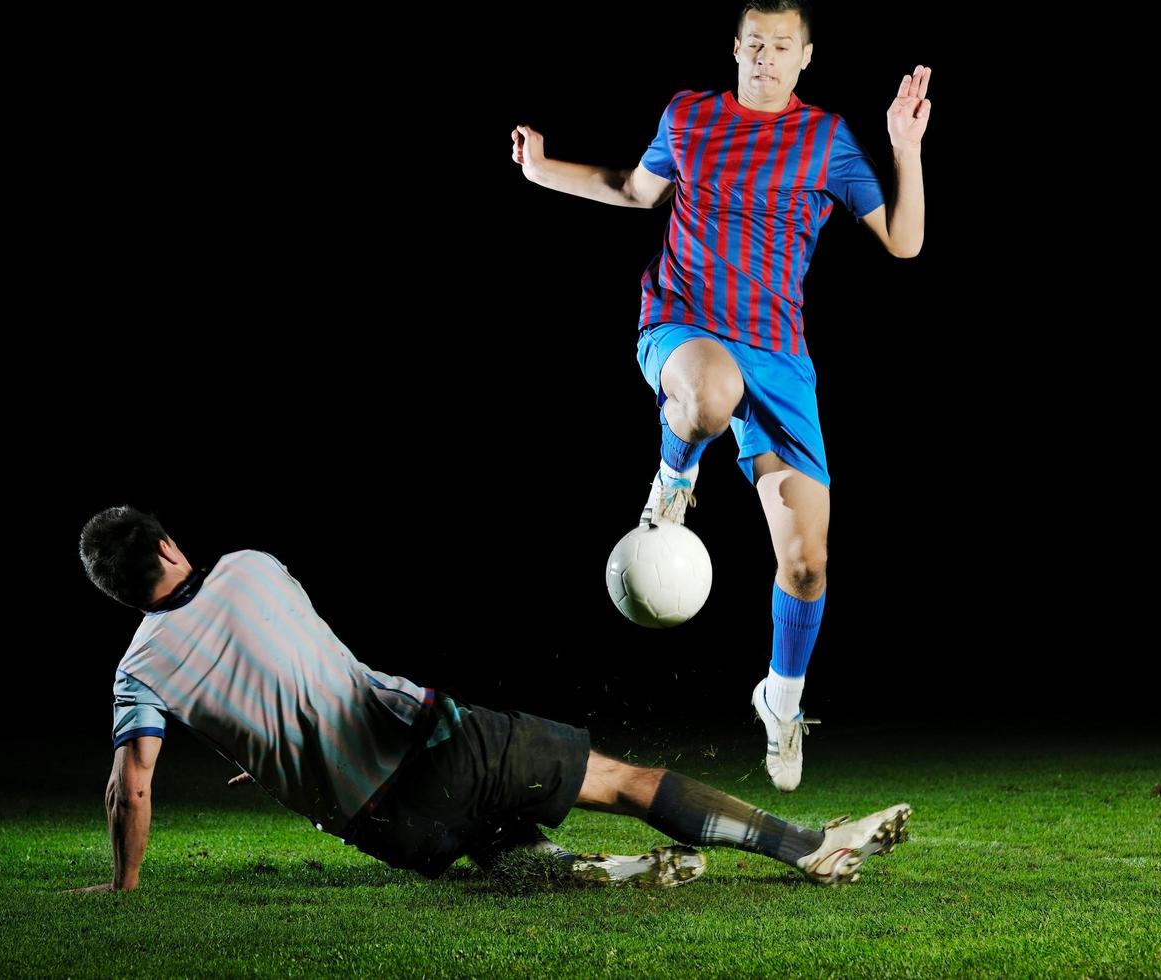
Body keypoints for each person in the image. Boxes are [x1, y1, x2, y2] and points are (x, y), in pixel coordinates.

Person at [510, 0, 929, 792]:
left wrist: (904, 148)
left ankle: (781, 698)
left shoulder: (827, 140)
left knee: (805, 563)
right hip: (682, 328)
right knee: (708, 388)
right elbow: (634, 190)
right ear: (734, 49)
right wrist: (542, 170)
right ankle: (671, 484)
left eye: (781, 47)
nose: (765, 58)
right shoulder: (690, 116)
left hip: (779, 358)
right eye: (753, 45)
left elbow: (902, 242)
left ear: (805, 57)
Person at [64, 505, 910, 893]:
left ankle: (612, 875)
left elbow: (128, 785)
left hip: (370, 820)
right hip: (429, 741)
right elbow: (291, 649)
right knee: (619, 779)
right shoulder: (249, 564)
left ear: (116, 594)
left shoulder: (137, 670)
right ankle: (805, 845)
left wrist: (125, 883)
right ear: (170, 543)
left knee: (484, 844)